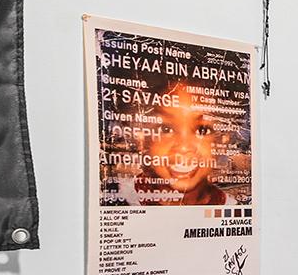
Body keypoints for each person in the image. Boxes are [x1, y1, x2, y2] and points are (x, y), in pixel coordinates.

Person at [105, 78, 248, 207]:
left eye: (202, 130)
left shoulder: (232, 208)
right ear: (142, 138)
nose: (184, 147)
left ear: (223, 141)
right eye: (166, 129)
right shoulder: (118, 198)